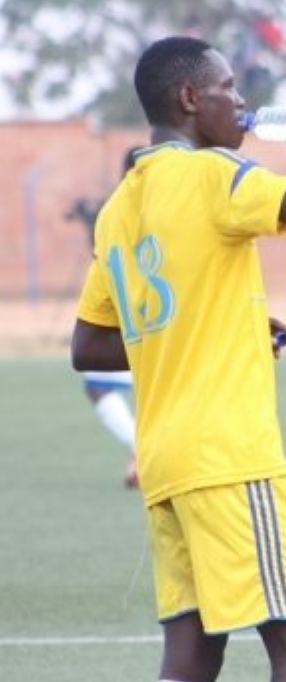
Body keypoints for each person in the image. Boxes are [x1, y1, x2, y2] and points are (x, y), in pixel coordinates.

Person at [70, 35, 286, 682]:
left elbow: (91, 345)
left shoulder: (119, 207)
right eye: (229, 88)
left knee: (192, 657)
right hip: (228, 457)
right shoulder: (210, 172)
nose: (243, 103)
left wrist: (224, 328)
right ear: (191, 98)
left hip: (165, 459)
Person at [70, 146, 143, 489]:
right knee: (99, 384)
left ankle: (143, 453)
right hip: (126, 320)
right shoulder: (115, 211)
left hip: (144, 320)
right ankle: (141, 452)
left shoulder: (122, 212)